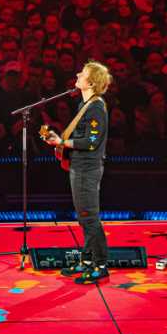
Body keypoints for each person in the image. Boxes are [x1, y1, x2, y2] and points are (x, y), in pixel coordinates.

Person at [44, 60, 111, 282]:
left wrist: (63, 141)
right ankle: (87, 260)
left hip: (87, 169)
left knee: (89, 218)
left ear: (91, 82)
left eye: (82, 73)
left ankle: (100, 265)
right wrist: (60, 141)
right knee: (85, 218)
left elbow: (91, 141)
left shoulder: (96, 107)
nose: (77, 74)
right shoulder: (84, 106)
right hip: (79, 167)